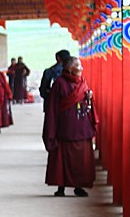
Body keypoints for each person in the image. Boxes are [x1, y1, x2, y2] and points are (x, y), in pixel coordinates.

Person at [42, 57, 98, 197]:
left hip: (81, 128)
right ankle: (61, 187)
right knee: (62, 160)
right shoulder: (59, 84)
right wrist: (51, 129)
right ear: (70, 68)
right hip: (64, 129)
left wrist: (89, 97)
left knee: (80, 161)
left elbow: (88, 104)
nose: (81, 68)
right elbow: (53, 108)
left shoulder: (83, 83)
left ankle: (78, 186)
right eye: (78, 65)